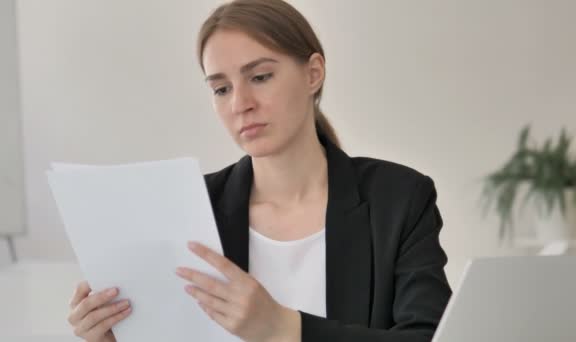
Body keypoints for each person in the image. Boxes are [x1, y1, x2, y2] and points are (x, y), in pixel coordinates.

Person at [67, 0, 452, 341]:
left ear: (313, 73)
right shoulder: (189, 209)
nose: (240, 104)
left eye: (260, 76)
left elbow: (432, 338)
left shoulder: (399, 198)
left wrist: (283, 329)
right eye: (221, 89)